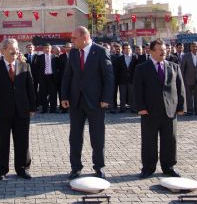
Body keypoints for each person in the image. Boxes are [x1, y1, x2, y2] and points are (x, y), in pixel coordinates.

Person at [61, 26, 113, 180]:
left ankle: (99, 167)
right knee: (75, 137)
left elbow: (109, 77)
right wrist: (64, 96)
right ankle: (75, 167)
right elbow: (67, 76)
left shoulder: (101, 51)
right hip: (76, 102)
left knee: (97, 137)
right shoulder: (74, 53)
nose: (72, 41)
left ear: (84, 37)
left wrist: (106, 98)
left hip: (96, 103)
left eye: (74, 38)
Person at [133, 39, 186, 179]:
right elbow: (137, 90)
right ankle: (148, 168)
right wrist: (141, 107)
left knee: (170, 140)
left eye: (165, 49)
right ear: (151, 51)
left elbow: (180, 88)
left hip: (170, 111)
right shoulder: (142, 68)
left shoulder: (174, 67)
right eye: (160, 49)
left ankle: (168, 167)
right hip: (149, 111)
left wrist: (181, 106)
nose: (164, 52)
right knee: (149, 141)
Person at [0, 38, 36, 181]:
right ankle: (1, 170)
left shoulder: (25, 66)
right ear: (3, 50)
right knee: (1, 142)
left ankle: (23, 169)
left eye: (17, 50)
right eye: (12, 50)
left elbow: (30, 89)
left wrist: (32, 107)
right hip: (1, 111)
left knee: (22, 141)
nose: (15, 52)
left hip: (22, 111)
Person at [181, 42, 197, 116]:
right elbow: (182, 69)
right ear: (190, 47)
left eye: (196, 46)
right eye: (193, 46)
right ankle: (189, 111)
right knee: (188, 96)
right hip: (188, 80)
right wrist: (182, 80)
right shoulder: (186, 56)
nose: (195, 48)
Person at [115, 43, 137, 113]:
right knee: (122, 95)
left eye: (129, 48)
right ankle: (122, 108)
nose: (128, 50)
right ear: (123, 50)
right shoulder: (119, 59)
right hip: (122, 80)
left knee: (132, 95)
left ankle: (133, 108)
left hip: (132, 80)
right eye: (126, 49)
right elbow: (117, 70)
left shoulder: (135, 57)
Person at [37, 43, 57, 113]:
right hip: (43, 77)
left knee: (53, 94)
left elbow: (57, 68)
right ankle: (44, 109)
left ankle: (53, 109)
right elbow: (37, 68)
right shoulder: (40, 57)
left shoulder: (54, 57)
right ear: (43, 49)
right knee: (43, 94)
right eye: (45, 48)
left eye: (48, 48)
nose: (47, 49)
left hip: (52, 77)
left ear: (51, 49)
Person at [58, 42, 72, 113]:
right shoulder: (61, 57)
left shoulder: (75, 55)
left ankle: (72, 107)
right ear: (64, 48)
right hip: (63, 78)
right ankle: (64, 108)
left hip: (73, 79)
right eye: (66, 47)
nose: (68, 49)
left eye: (69, 47)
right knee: (63, 93)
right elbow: (59, 68)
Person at [24, 43, 39, 108]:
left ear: (34, 48)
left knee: (34, 91)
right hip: (26, 77)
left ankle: (35, 105)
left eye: (31, 47)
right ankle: (27, 105)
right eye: (28, 47)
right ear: (26, 48)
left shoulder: (37, 56)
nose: (30, 48)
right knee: (27, 91)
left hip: (35, 77)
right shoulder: (24, 56)